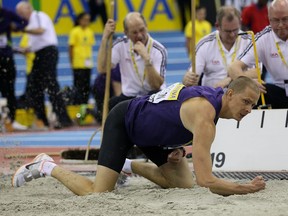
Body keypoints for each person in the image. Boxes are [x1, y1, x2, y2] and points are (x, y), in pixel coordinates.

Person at [12, 76, 266, 196]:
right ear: (229, 95)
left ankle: (126, 165)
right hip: (124, 122)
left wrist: (175, 145)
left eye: (253, 105)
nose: (248, 110)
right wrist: (245, 188)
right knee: (97, 193)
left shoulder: (215, 99)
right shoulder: (205, 114)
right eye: (246, 101)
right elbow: (207, 181)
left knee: (181, 184)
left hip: (153, 134)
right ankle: (45, 165)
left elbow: (171, 107)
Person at [16, 1, 73, 129]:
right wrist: (23, 50)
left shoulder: (38, 15)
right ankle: (43, 119)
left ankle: (63, 119)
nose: (20, 15)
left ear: (28, 8)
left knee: (51, 84)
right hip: (40, 54)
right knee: (34, 86)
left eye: (21, 12)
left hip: (47, 53)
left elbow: (41, 30)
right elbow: (36, 43)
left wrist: (23, 29)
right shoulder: (31, 23)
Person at [97, 12, 167, 111]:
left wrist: (146, 58)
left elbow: (156, 85)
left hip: (153, 95)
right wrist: (105, 38)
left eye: (142, 30)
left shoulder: (159, 50)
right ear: (126, 32)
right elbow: (102, 68)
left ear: (146, 26)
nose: (139, 35)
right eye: (134, 32)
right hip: (129, 96)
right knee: (112, 105)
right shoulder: (121, 45)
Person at [228, 0, 288, 108]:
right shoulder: (263, 38)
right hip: (280, 90)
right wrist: (247, 82)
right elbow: (233, 67)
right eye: (275, 20)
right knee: (251, 90)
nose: (280, 25)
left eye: (285, 19)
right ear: (269, 19)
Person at [183, 6, 253, 88]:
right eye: (227, 31)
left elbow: (257, 72)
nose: (232, 35)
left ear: (240, 23)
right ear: (217, 26)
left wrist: (230, 80)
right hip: (211, 96)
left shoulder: (250, 42)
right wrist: (188, 78)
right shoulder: (204, 44)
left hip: (241, 95)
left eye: (235, 30)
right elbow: (193, 74)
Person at [0, 6, 28, 131]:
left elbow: (25, 22)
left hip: (7, 57)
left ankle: (12, 119)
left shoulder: (7, 13)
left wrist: (16, 27)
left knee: (10, 89)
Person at [68, 12, 95, 105]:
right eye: (84, 20)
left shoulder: (90, 31)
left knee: (87, 85)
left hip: (87, 63)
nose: (86, 22)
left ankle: (85, 104)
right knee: (78, 86)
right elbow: (71, 47)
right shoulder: (74, 31)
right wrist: (71, 61)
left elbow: (89, 45)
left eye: (88, 20)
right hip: (78, 63)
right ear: (79, 20)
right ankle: (77, 104)